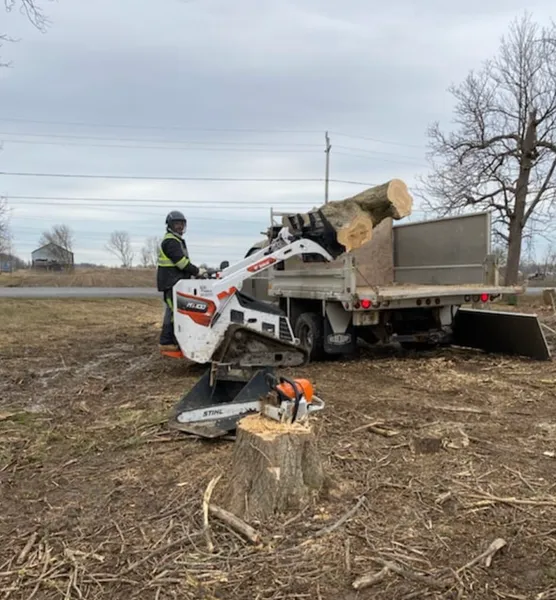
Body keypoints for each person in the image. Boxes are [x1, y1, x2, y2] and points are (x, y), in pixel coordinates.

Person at [157, 211, 205, 353]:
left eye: (182, 224)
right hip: (171, 282)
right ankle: (166, 341)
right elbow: (181, 263)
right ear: (170, 225)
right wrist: (197, 272)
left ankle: (173, 340)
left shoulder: (176, 240)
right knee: (174, 312)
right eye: (177, 224)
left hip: (175, 282)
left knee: (174, 312)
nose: (180, 227)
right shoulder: (171, 241)